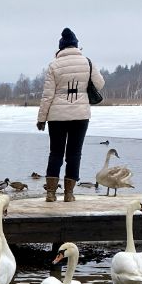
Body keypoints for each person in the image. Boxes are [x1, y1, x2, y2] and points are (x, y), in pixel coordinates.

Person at [36, 27, 103, 203]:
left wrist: (41, 118)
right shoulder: (87, 62)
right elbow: (100, 84)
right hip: (80, 115)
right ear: (76, 46)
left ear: (61, 47)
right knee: (74, 153)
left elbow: (47, 95)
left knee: (56, 153)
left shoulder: (54, 65)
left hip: (57, 116)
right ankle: (68, 194)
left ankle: (50, 193)